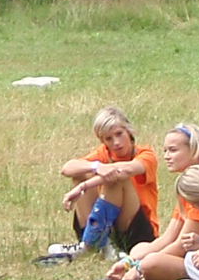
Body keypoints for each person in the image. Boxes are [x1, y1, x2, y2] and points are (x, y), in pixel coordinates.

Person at [59, 107, 158, 255]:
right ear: (102, 141)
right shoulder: (103, 154)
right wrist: (96, 167)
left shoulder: (146, 154)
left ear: (129, 131)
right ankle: (92, 241)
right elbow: (67, 168)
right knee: (80, 174)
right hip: (107, 226)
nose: (116, 142)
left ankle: (93, 243)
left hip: (138, 232)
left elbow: (125, 170)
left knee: (117, 179)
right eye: (109, 139)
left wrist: (83, 187)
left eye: (119, 134)